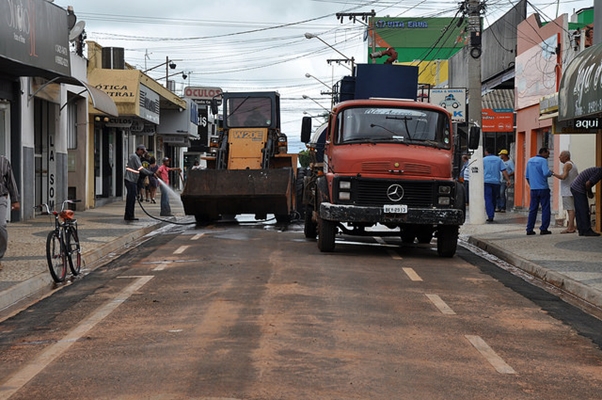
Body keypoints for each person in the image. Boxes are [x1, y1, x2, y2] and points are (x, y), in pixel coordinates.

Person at [525, 147, 553, 235]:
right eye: (548, 153)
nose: (548, 156)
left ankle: (529, 229)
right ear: (543, 152)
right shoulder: (543, 161)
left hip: (533, 189)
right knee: (545, 208)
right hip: (543, 188)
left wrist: (532, 185)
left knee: (533, 209)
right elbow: (545, 173)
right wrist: (550, 172)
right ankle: (544, 228)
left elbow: (527, 176)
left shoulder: (529, 161)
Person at [124, 145, 154, 221]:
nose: (143, 153)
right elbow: (140, 168)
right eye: (143, 151)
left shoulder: (136, 157)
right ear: (139, 150)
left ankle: (128, 215)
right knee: (131, 199)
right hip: (130, 180)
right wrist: (151, 173)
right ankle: (129, 216)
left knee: (131, 198)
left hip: (132, 180)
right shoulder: (135, 157)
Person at [570, 166, 602, 237]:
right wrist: (589, 193)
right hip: (578, 188)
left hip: (574, 186)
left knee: (579, 210)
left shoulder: (597, 170)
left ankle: (581, 230)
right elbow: (588, 183)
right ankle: (587, 230)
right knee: (584, 210)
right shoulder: (599, 172)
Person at [0, 156, 20, 271]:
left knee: (1, 225)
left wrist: (15, 200)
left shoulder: (3, 161)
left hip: (1, 198)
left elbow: (11, 181)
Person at [552, 150, 578, 234]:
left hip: (567, 191)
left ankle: (570, 228)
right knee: (571, 209)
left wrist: (553, 174)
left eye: (561, 155)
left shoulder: (566, 165)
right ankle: (572, 226)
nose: (559, 157)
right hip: (572, 189)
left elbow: (563, 177)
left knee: (570, 209)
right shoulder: (572, 164)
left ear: (566, 157)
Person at [483, 148, 511, 222]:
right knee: (494, 198)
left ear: (486, 152)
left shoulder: (484, 160)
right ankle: (493, 212)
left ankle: (490, 215)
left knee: (488, 198)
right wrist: (508, 180)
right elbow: (503, 170)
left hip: (486, 181)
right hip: (496, 182)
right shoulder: (499, 160)